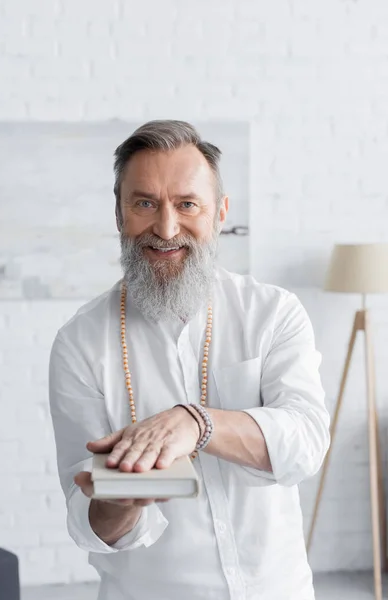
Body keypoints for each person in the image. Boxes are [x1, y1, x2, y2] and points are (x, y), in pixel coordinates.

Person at [49, 120, 330, 600]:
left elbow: (305, 442)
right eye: (144, 203)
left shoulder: (273, 312)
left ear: (219, 212)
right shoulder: (80, 342)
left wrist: (196, 422)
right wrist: (122, 503)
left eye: (187, 204)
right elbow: (87, 520)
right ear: (119, 215)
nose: (166, 227)